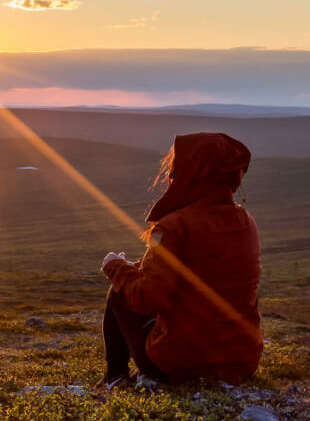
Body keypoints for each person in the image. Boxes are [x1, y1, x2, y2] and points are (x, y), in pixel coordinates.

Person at [97, 132, 262, 390]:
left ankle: (115, 376)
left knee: (118, 292)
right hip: (242, 360)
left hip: (183, 362)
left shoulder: (174, 226)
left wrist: (117, 268)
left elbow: (152, 298)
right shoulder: (246, 221)